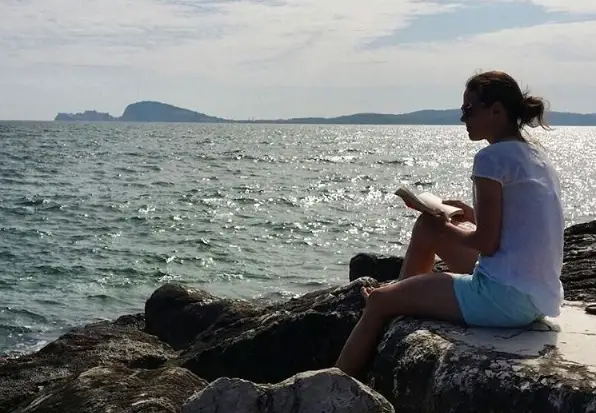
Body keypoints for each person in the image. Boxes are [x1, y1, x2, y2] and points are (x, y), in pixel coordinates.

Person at [335, 70, 565, 377]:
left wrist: (445, 227)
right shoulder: (537, 156)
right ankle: (403, 296)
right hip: (538, 296)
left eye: (469, 109)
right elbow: (523, 224)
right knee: (427, 228)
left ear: (496, 110)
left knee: (377, 301)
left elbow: (486, 243)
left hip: (503, 299)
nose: (462, 118)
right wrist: (471, 215)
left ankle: (330, 389)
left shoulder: (491, 158)